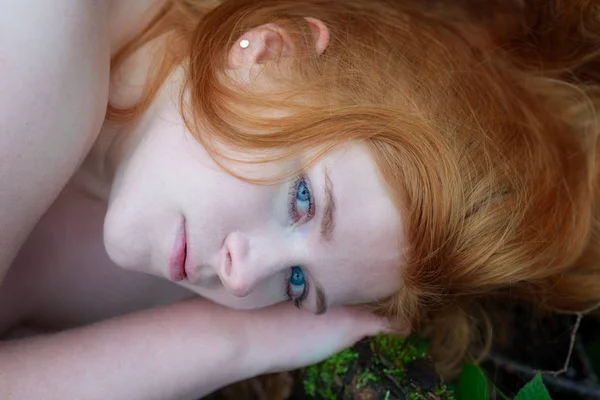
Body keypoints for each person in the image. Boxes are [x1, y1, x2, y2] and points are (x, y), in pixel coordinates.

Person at [1, 0, 599, 398]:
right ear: (269, 52)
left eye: (295, 284)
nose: (241, 280)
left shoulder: (170, 241)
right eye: (303, 201)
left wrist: (245, 339)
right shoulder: (41, 36)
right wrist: (227, 343)